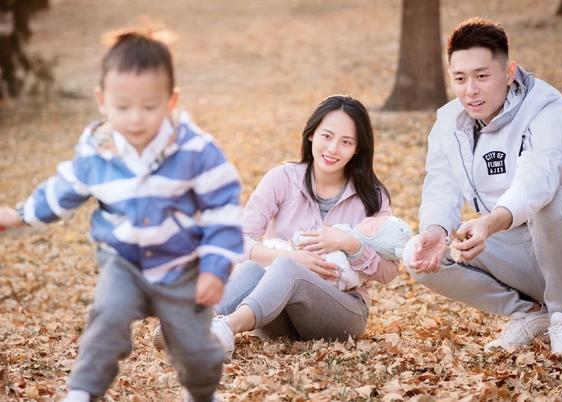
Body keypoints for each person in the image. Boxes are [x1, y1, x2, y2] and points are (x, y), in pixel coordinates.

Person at [0, 31, 242, 402]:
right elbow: (63, 190)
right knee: (107, 318)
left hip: (182, 267)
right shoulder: (99, 152)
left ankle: (204, 393)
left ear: (171, 101)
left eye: (149, 107)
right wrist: (18, 216)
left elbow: (223, 210)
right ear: (102, 102)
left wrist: (214, 267)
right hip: (124, 263)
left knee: (195, 350)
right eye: (123, 107)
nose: (135, 119)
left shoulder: (195, 150)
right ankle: (82, 391)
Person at [403, 17, 562, 362]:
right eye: (460, 78)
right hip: (520, 253)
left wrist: (488, 223)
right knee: (417, 253)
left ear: (509, 72)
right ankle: (531, 313)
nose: (470, 90)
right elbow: (440, 185)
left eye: (482, 76)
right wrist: (436, 229)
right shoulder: (448, 123)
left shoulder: (547, 109)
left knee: (551, 200)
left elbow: (538, 179)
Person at [205, 95, 398, 359]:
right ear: (311, 135)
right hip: (275, 312)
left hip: (342, 314)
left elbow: (389, 272)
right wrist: (291, 257)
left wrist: (350, 245)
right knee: (255, 268)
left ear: (357, 149)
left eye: (346, 142)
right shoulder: (281, 179)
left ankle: (227, 326)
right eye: (327, 136)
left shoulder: (372, 196)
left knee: (288, 269)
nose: (333, 148)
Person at [263, 214, 413, 291]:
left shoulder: (372, 194)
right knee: (252, 270)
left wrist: (354, 246)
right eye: (373, 219)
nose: (368, 219)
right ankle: (238, 322)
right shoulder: (285, 177)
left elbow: (389, 272)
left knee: (276, 272)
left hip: (334, 298)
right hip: (287, 256)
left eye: (373, 226)